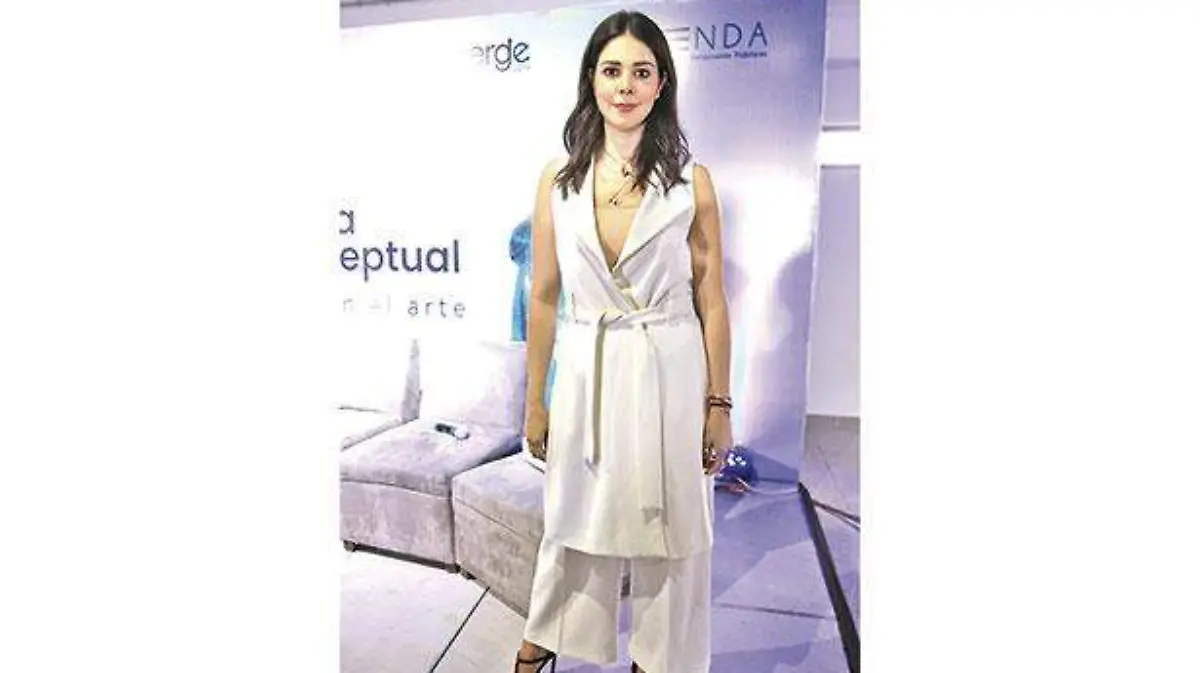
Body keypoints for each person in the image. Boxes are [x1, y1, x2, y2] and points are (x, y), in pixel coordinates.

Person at [514, 9, 733, 673]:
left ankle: (661, 661)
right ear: (592, 79)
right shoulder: (558, 181)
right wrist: (535, 400)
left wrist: (719, 404)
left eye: (642, 72)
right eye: (612, 70)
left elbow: (712, 299)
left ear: (662, 84)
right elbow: (543, 295)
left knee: (676, 528)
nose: (625, 86)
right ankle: (540, 643)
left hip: (670, 367)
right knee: (573, 517)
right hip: (588, 370)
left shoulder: (691, 183)